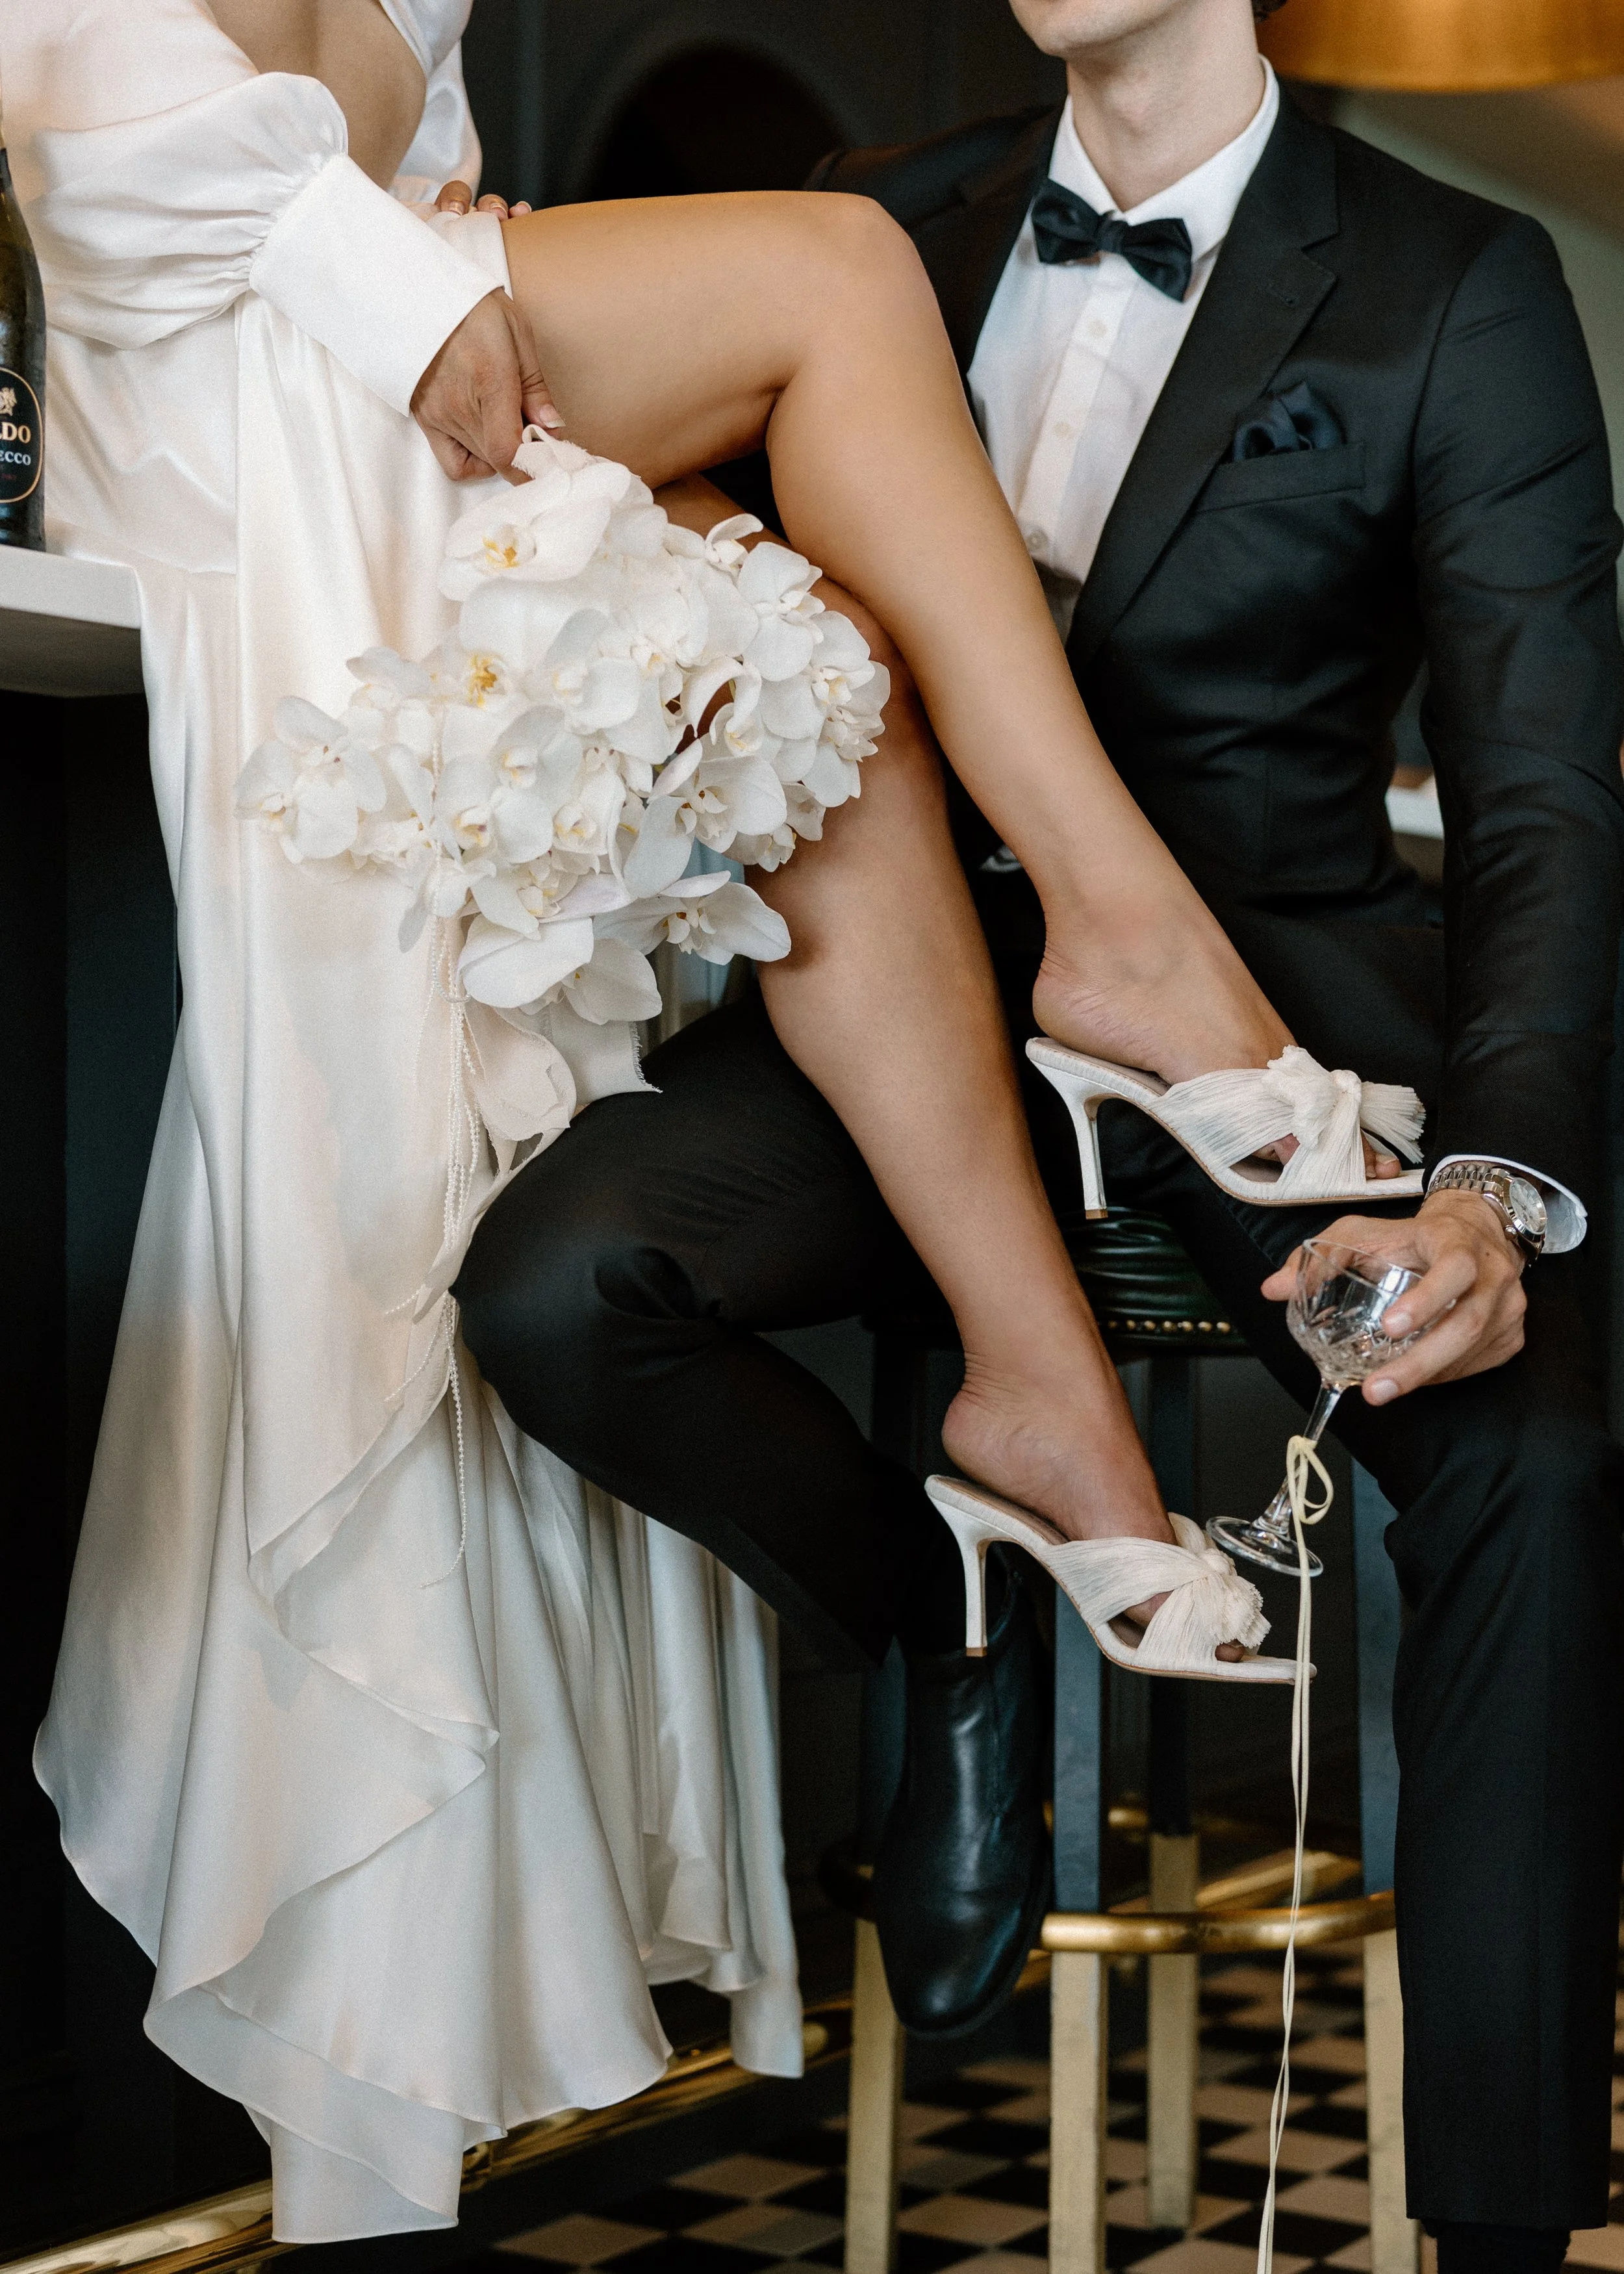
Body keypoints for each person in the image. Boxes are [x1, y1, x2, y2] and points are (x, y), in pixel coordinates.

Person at [10, 0, 1400, 2240]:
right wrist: (413, 287)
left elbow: (442, 194)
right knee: (842, 275)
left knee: (808, 655)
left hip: (408, 410)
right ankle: (1126, 945)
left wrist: (446, 268)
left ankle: (1041, 1394)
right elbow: (116, 163)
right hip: (237, 432)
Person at [458, 2, 1624, 2269]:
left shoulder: (1453, 277)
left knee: (1540, 1467)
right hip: (888, 994)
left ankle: (1499, 2234)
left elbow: (1544, 800)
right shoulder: (866, 229)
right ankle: (955, 1602)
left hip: (1268, 1003)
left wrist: (1489, 1187)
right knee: (565, 1291)